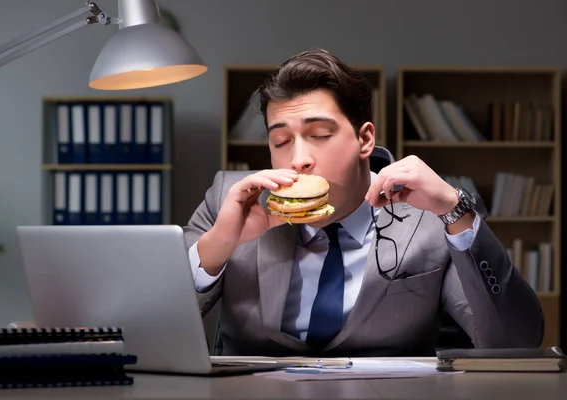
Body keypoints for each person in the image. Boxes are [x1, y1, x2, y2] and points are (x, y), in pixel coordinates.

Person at [183, 48, 544, 357]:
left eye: (319, 135)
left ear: (365, 139)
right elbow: (145, 327)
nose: (298, 159)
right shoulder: (230, 200)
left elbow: (516, 343)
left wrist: (455, 211)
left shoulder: (433, 217)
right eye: (280, 141)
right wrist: (220, 243)